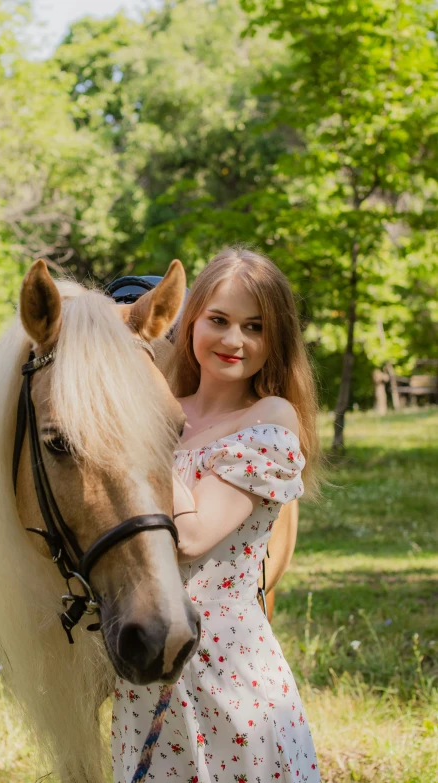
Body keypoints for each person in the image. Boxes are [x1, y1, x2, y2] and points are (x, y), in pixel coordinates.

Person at [111, 246, 321, 783]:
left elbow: (194, 533)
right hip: (150, 655)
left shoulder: (270, 417)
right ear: (192, 321)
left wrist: (146, 434)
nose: (234, 341)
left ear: (276, 340)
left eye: (255, 326)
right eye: (219, 321)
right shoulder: (171, 409)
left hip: (226, 668)